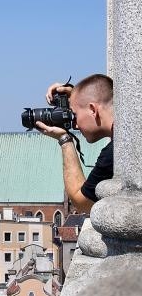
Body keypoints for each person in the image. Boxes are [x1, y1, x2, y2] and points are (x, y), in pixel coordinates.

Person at [36, 74, 113, 213]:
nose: (74, 125)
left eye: (75, 114)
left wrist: (64, 139)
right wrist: (77, 94)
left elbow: (83, 202)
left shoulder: (114, 154)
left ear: (93, 110)